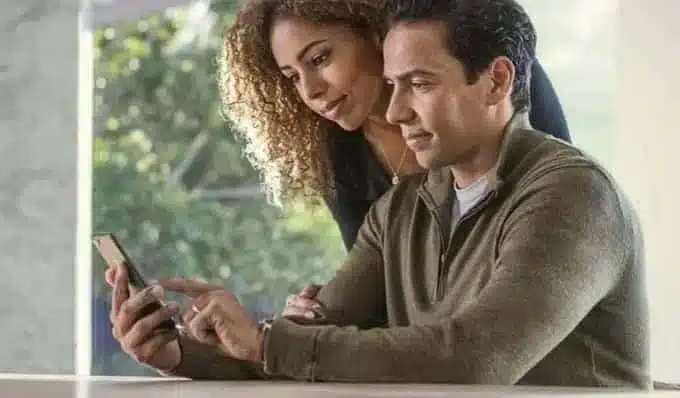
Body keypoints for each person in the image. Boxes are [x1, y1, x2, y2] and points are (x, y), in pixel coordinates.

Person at [105, 0, 650, 387]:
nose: (392, 113)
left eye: (420, 84)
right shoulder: (401, 207)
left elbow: (476, 360)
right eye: (393, 86)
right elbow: (303, 347)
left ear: (496, 82)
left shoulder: (575, 194)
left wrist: (272, 342)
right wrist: (181, 352)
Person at [216, 0, 570, 319]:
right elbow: (374, 288)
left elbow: (558, 205)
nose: (310, 91)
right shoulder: (338, 156)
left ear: (374, 32)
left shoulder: (494, 76)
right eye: (292, 77)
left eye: (320, 59)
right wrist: (317, 313)